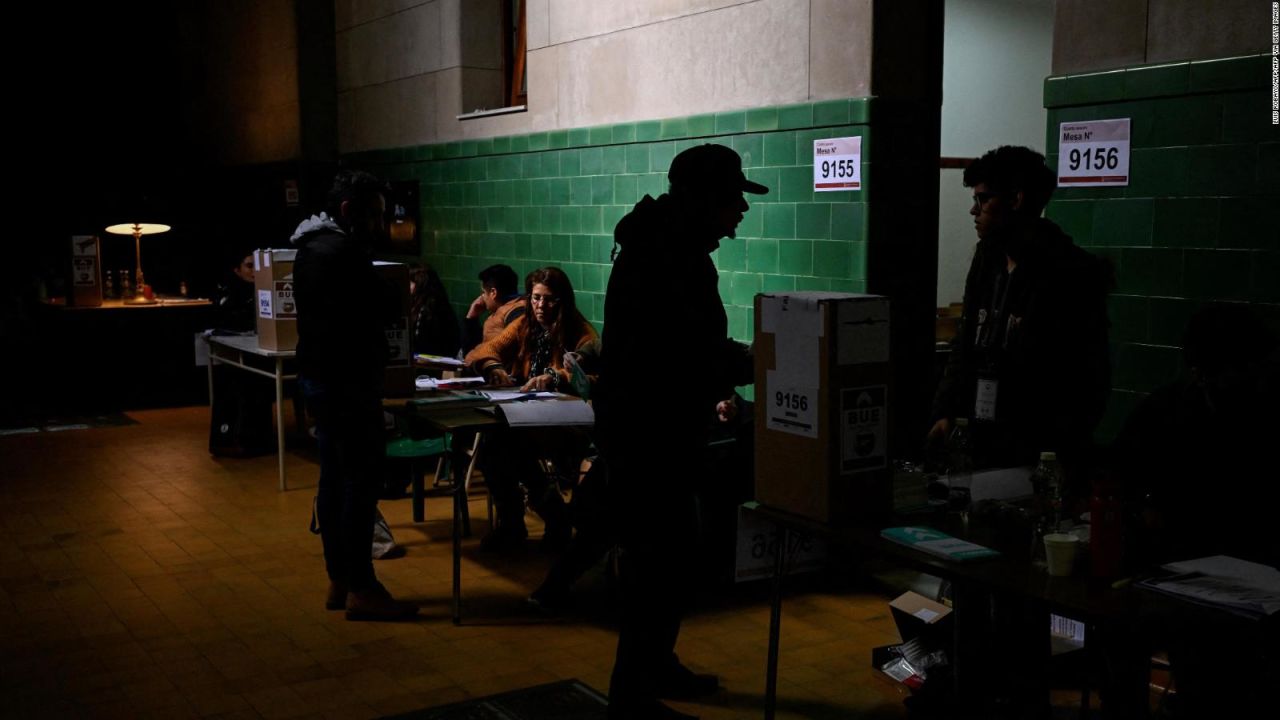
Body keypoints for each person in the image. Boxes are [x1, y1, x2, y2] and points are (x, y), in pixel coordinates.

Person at [597, 143, 764, 719]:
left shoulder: (666, 243)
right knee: (657, 563)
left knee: (670, 557)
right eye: (734, 199)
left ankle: (654, 667)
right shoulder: (668, 253)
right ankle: (632, 695)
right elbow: (681, 351)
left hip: (654, 426)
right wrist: (763, 360)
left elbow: (688, 349)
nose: (740, 211)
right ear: (703, 199)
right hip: (649, 434)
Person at [929, 145, 1110, 472]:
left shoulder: (1068, 272)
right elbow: (966, 341)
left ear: (1015, 199)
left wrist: (1053, 450)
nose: (974, 210)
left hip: (1035, 448)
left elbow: (1087, 376)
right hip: (983, 435)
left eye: (983, 199)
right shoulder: (988, 259)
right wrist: (945, 410)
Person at [291, 170, 418, 621]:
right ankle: (363, 587)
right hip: (349, 382)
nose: (381, 226)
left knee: (332, 478)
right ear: (349, 212)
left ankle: (339, 579)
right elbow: (380, 307)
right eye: (375, 216)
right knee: (359, 484)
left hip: (320, 379)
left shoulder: (309, 249)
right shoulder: (342, 252)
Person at [464, 266, 598, 550]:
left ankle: (552, 517)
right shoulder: (526, 324)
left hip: (567, 422)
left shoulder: (580, 332)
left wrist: (556, 377)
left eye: (549, 299)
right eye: (535, 298)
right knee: (494, 450)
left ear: (562, 300)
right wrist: (494, 366)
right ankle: (518, 522)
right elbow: (484, 350)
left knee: (509, 448)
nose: (540, 306)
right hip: (527, 416)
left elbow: (594, 379)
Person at [208, 249, 274, 457]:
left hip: (261, 352)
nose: (255, 271)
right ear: (237, 271)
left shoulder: (267, 291)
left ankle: (257, 439)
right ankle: (232, 438)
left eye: (257, 265)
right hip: (236, 355)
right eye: (249, 266)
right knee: (237, 383)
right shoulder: (231, 294)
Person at [460, 263, 525, 353]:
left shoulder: (515, 312)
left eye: (483, 292)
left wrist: (470, 319)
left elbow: (469, 351)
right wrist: (472, 318)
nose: (482, 297)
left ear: (493, 292)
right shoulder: (513, 307)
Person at [408, 263, 460, 358]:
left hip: (427, 362)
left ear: (419, 284)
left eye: (410, 282)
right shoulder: (440, 305)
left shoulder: (426, 311)